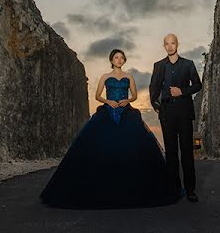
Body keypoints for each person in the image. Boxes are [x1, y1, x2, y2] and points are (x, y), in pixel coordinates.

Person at [39, 48, 180, 209]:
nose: (119, 60)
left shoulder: (129, 77)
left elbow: (134, 95)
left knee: (132, 148)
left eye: (121, 57)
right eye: (116, 57)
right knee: (100, 146)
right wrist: (108, 101)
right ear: (111, 60)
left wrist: (127, 101)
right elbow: (97, 95)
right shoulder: (105, 77)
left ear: (124, 60)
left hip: (126, 112)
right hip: (107, 111)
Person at [149, 34, 202, 202]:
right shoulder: (158, 66)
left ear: (177, 44)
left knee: (187, 152)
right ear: (164, 46)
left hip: (185, 114)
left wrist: (182, 91)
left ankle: (190, 190)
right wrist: (157, 107)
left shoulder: (188, 64)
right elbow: (153, 88)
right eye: (167, 44)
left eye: (173, 43)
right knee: (171, 153)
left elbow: (197, 85)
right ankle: (174, 190)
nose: (170, 46)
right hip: (167, 115)